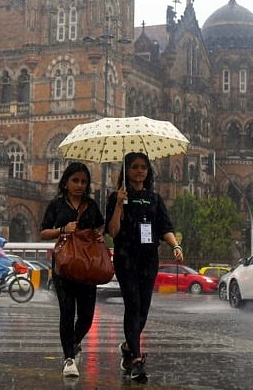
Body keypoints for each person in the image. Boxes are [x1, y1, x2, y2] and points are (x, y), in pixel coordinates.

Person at [106, 152, 183, 382]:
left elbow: (164, 227)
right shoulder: (116, 197)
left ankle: (128, 347)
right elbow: (113, 231)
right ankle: (137, 360)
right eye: (135, 167)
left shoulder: (154, 199)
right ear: (126, 170)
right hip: (126, 257)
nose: (140, 171)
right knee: (133, 304)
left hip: (149, 258)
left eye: (144, 167)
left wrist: (175, 245)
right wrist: (119, 204)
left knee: (144, 309)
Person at [40, 162, 105, 378]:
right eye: (75, 180)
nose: (79, 185)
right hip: (64, 267)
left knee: (87, 316)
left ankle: (74, 341)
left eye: (83, 181)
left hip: (87, 267)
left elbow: (99, 228)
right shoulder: (57, 205)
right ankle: (68, 358)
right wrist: (62, 230)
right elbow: (43, 232)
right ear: (66, 182)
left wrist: (98, 235)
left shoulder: (92, 206)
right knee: (67, 313)